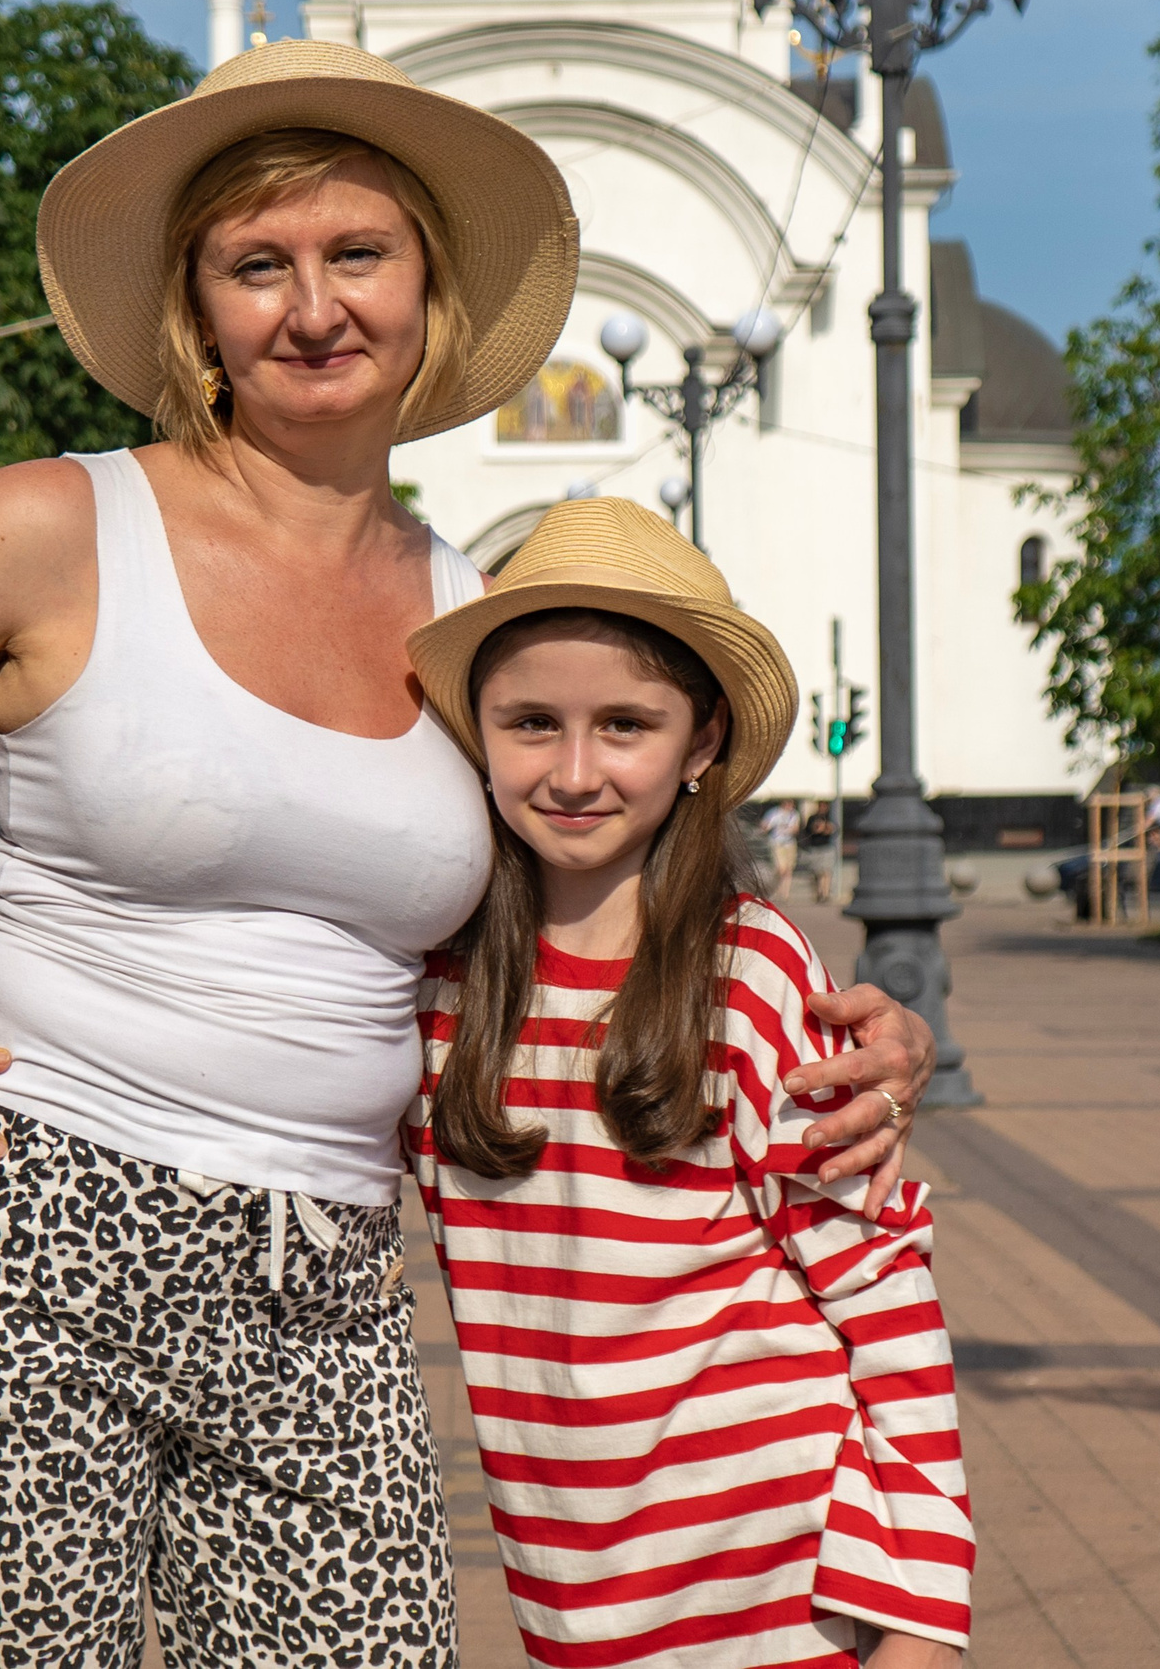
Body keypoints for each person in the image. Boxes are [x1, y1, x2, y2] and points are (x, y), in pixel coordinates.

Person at [0, 40, 937, 1669]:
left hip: (322, 1275)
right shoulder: (55, 525)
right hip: (31, 1235)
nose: (312, 305)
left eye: (355, 254)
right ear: (200, 309)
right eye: (260, 263)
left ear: (427, 290)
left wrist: (836, 1007)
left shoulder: (462, 604)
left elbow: (585, 883)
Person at [409, 501, 971, 1667]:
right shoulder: (434, 994)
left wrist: (926, 1624)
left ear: (701, 742)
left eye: (624, 724)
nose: (573, 771)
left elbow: (882, 1295)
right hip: (573, 1591)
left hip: (781, 1584)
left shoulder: (752, 973)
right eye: (530, 723)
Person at [760, 797, 802, 896]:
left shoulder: (794, 814)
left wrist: (790, 829)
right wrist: (767, 827)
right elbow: (765, 825)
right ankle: (775, 887)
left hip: (789, 842)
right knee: (780, 869)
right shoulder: (774, 813)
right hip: (777, 842)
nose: (789, 806)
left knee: (788, 869)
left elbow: (796, 829)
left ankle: (785, 893)